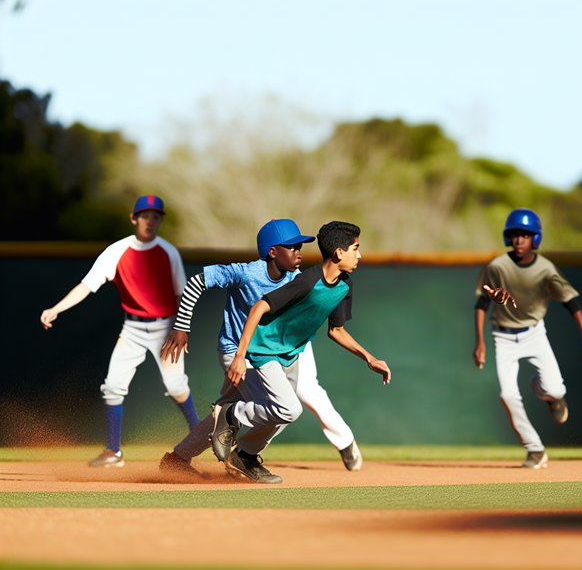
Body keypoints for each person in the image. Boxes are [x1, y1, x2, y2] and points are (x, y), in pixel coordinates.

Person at [158, 219, 365, 478]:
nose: (299, 251)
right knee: (280, 408)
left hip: (268, 353)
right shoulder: (246, 272)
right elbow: (197, 282)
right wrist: (181, 326)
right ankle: (245, 457)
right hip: (237, 350)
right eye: (291, 247)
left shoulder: (297, 278)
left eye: (300, 245)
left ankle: (178, 459)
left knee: (230, 414)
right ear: (272, 252)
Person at [213, 221, 391, 484]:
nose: (360, 255)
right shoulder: (307, 280)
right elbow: (259, 308)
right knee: (289, 410)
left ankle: (245, 455)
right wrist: (240, 356)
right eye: (356, 248)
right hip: (265, 350)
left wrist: (369, 358)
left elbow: (336, 331)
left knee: (282, 414)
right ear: (339, 253)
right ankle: (231, 414)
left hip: (291, 354)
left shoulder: (344, 286)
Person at [40, 195, 199, 467]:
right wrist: (57, 308)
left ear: (160, 220)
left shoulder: (168, 251)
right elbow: (87, 285)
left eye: (156, 216)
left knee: (175, 385)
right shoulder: (117, 251)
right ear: (134, 218)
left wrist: (181, 328)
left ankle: (202, 435)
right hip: (133, 328)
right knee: (113, 386)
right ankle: (113, 451)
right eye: (145, 215)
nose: (151, 221)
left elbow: (183, 294)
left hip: (165, 328)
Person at [473, 208, 582, 469]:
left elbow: (571, 303)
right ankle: (534, 449)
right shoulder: (497, 266)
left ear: (536, 238)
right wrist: (480, 342)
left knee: (555, 389)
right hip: (503, 336)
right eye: (515, 235)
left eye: (525, 234)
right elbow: (481, 303)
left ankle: (546, 392)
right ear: (508, 238)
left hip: (534, 333)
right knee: (508, 395)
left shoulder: (545, 269)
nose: (520, 240)